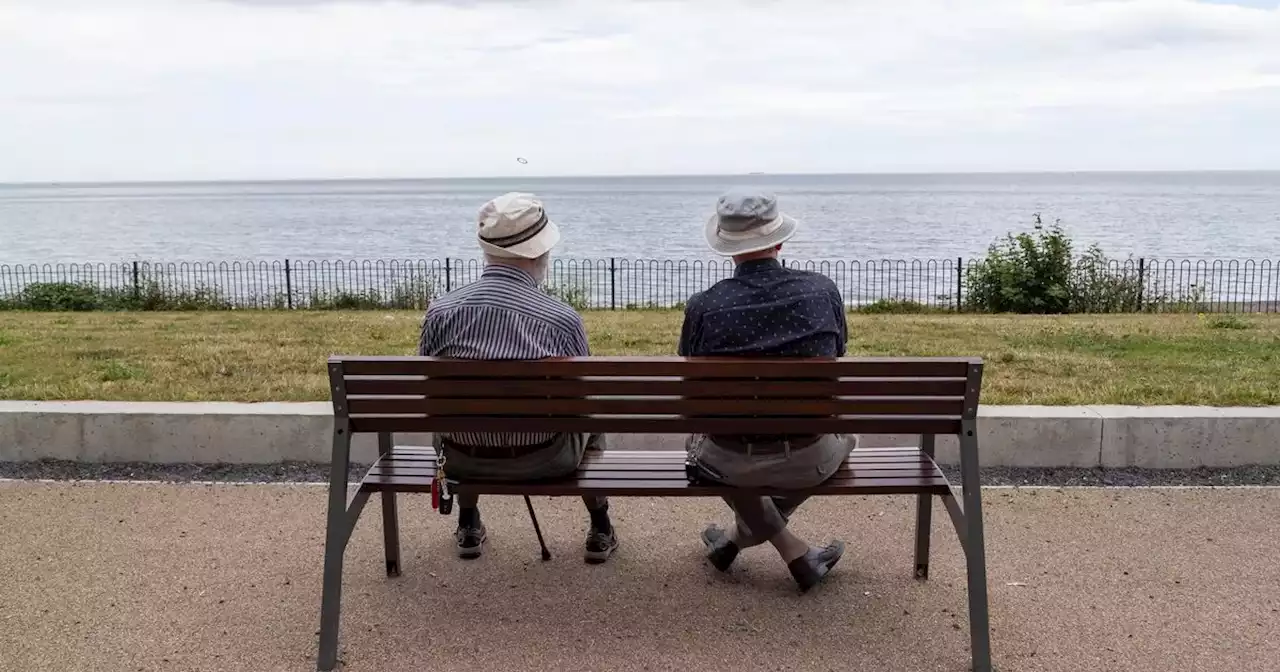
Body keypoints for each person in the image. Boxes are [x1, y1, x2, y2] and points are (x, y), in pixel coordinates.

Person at [418, 192, 619, 563]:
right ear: (539, 253)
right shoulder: (561, 319)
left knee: (455, 409)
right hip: (546, 459)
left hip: (461, 458)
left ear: (487, 251)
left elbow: (430, 393)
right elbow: (582, 399)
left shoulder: (441, 313)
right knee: (593, 416)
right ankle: (600, 522)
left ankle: (467, 520)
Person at [680, 188, 854, 591]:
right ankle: (792, 551)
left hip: (727, 460)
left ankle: (742, 534)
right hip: (809, 456)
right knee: (850, 436)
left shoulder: (704, 306)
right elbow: (838, 353)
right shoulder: (822, 291)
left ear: (726, 247)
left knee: (709, 445)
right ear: (778, 240)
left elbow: (692, 383)